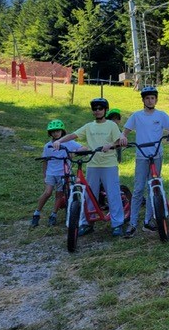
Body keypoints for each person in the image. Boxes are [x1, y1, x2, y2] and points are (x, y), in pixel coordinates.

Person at [53, 98, 125, 237]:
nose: (97, 111)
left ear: (105, 110)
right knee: (90, 194)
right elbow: (73, 135)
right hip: (92, 164)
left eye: (100, 108)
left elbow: (119, 142)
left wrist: (110, 145)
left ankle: (117, 224)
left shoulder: (111, 125)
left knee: (113, 194)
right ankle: (87, 223)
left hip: (109, 164)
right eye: (95, 109)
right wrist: (59, 141)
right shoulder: (89, 126)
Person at [121, 86, 169, 238]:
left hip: (156, 155)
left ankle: (148, 221)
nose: (150, 100)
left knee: (153, 187)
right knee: (138, 189)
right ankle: (133, 223)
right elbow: (125, 131)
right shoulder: (137, 115)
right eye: (147, 98)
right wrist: (123, 137)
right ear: (143, 100)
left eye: (152, 98)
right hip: (142, 155)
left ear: (156, 100)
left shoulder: (161, 115)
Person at [31, 119, 84, 228]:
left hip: (63, 173)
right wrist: (44, 174)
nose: (55, 133)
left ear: (62, 131)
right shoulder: (47, 146)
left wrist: (75, 152)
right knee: (48, 192)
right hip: (51, 173)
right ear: (50, 133)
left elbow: (83, 148)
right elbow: (45, 161)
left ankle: (53, 215)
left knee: (59, 195)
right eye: (53, 132)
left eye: (58, 131)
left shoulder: (69, 143)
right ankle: (36, 213)